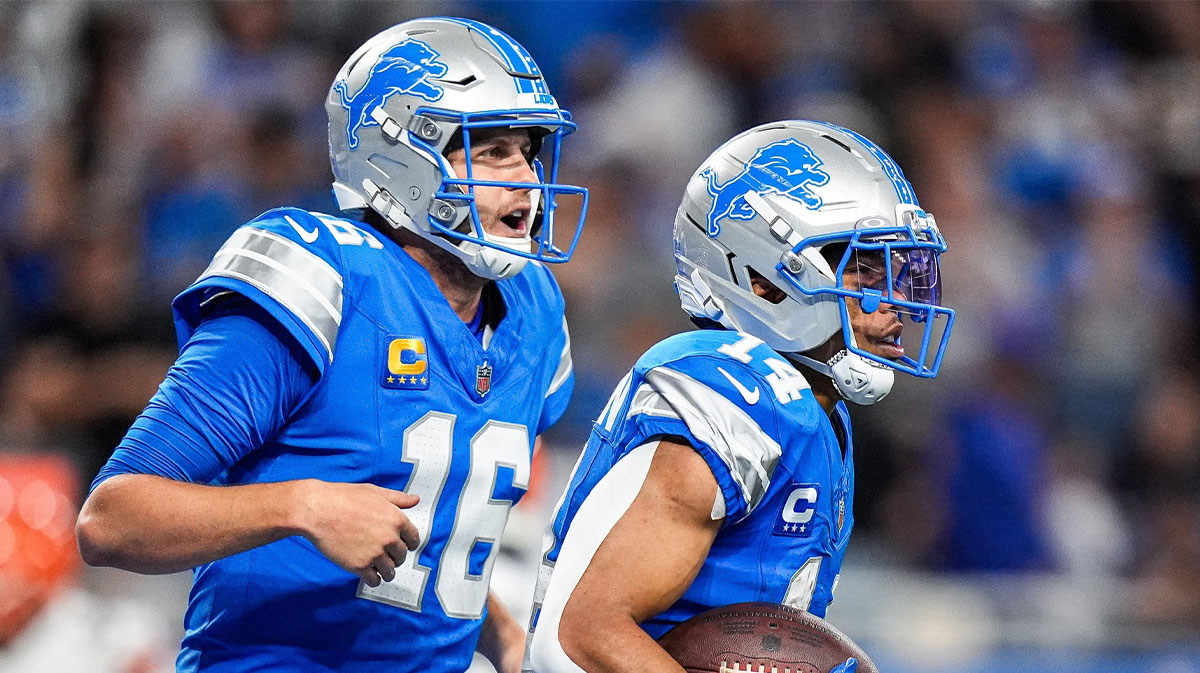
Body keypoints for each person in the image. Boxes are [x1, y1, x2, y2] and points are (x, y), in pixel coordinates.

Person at [76, 17, 586, 673]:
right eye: (491, 151)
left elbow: (430, 545)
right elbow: (111, 518)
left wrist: (506, 636)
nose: (527, 177)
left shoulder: (534, 312)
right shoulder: (325, 279)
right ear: (403, 159)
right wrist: (300, 504)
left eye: (528, 149)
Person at [524, 120, 954, 672]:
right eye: (865, 272)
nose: (898, 302)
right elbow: (580, 636)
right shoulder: (733, 395)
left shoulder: (814, 408)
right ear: (765, 281)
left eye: (901, 270)